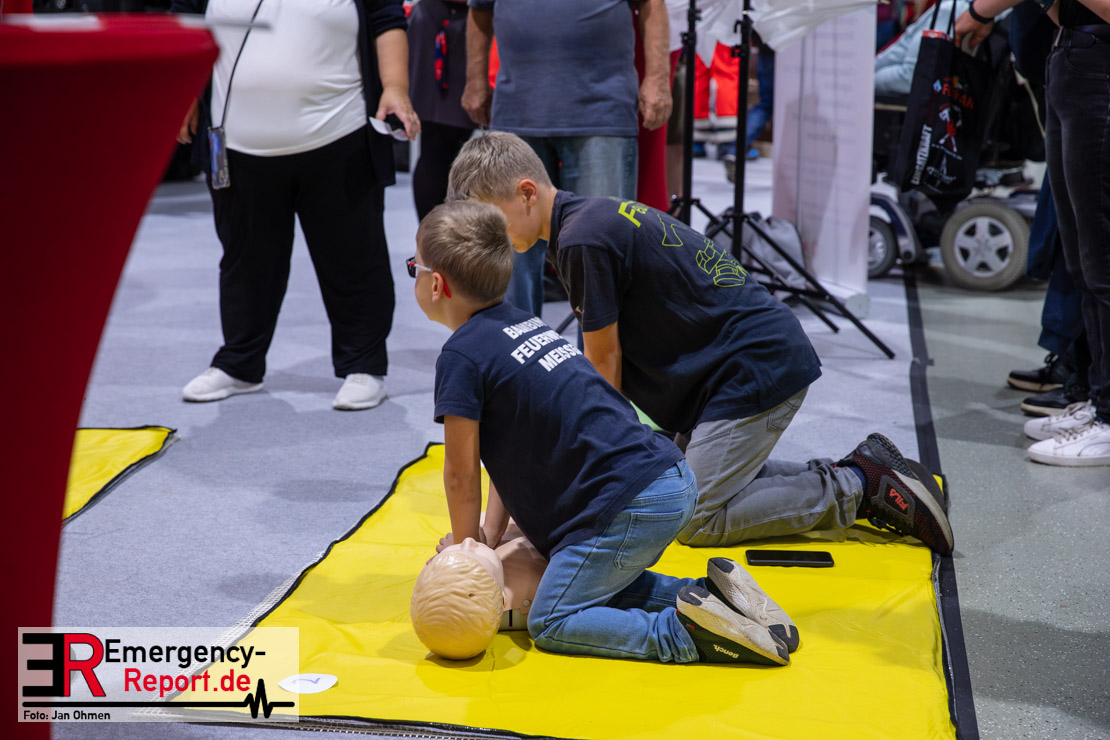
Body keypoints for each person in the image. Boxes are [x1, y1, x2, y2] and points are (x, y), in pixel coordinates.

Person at [447, 132, 956, 554]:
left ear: (527, 192)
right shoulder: (584, 223)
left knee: (690, 519)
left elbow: (602, 375)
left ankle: (860, 489)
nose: (488, 235)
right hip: (728, 372)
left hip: (753, 369)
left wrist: (590, 473)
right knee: (671, 489)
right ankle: (864, 468)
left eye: (490, 217)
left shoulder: (581, 240)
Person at [408, 199, 796, 666]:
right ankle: (718, 598)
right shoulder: (522, 322)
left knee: (552, 618)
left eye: (413, 267)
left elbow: (461, 474)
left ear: (436, 284)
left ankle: (684, 635)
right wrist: (488, 534)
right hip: (666, 478)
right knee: (592, 584)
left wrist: (465, 553)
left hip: (631, 502)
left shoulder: (461, 357)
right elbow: (507, 457)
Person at [173, 0, 419, 411]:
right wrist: (183, 90)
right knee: (245, 260)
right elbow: (186, 18)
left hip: (339, 134)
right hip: (236, 142)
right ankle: (240, 363)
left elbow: (385, 17)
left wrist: (395, 87)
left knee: (354, 256)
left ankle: (364, 364)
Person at [956, 0, 1110, 466]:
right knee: (1082, 262)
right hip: (1072, 58)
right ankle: (1098, 398)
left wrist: (983, 13)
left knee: (1102, 262)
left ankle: (1109, 417)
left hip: (1098, 65)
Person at [460, 0, 671, 318]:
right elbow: (480, 9)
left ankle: (600, 352)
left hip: (601, 112)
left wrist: (658, 78)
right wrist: (475, 79)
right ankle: (515, 345)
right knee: (510, 255)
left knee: (601, 250)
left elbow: (652, 5)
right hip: (518, 112)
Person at [407, 0, 477, 221]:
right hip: (446, 22)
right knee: (438, 145)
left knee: (452, 148)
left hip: (473, 21)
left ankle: (443, 234)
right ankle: (435, 237)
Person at [875, 0, 972, 97]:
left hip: (917, 97)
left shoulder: (949, 9)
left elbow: (911, 75)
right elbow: (897, 53)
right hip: (887, 78)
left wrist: (869, 81)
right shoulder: (937, 6)